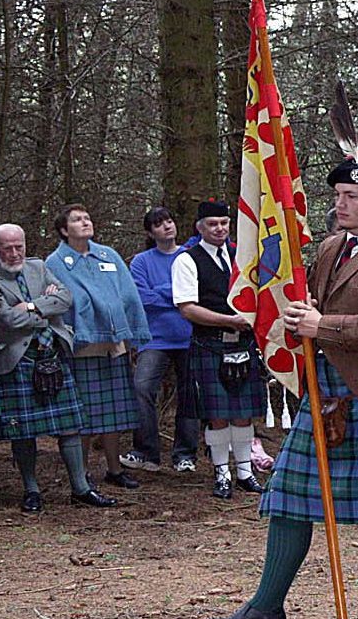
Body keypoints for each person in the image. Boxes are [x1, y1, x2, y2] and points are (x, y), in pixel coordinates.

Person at [199, 155, 358, 619]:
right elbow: (320, 309)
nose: (341, 204)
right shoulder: (331, 248)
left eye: (352, 196)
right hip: (326, 393)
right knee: (289, 496)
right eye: (337, 197)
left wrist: (321, 325)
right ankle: (266, 606)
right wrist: (304, 315)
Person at [0, 223, 118, 511]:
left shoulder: (38, 267)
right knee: (23, 430)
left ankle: (81, 488)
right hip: (18, 360)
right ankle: (31, 490)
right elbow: (7, 320)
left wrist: (31, 307)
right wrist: (44, 308)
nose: (14, 253)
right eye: (7, 248)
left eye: (18, 246)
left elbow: (65, 299)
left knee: (70, 426)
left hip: (53, 355)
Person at [47, 204, 151, 494]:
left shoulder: (107, 254)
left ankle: (114, 469)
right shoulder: (56, 262)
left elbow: (128, 294)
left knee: (113, 414)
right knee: (83, 416)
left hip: (114, 345)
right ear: (64, 230)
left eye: (87, 218)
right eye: (77, 220)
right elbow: (68, 298)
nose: (85, 223)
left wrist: (129, 330)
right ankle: (81, 475)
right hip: (81, 347)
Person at [173, 200, 266, 498]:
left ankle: (244, 472)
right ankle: (221, 473)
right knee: (217, 415)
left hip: (244, 345)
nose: (220, 229)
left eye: (224, 223)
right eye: (213, 224)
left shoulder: (244, 256)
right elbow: (187, 308)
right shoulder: (187, 260)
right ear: (200, 227)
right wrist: (230, 321)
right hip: (209, 344)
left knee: (243, 414)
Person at [127, 206, 202, 472]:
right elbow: (141, 298)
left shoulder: (191, 256)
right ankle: (146, 451)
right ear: (150, 232)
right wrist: (179, 295)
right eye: (159, 224)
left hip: (189, 335)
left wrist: (165, 293)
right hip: (154, 338)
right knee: (142, 388)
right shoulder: (141, 261)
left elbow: (199, 293)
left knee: (190, 394)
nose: (167, 226)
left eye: (169, 221)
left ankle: (185, 454)